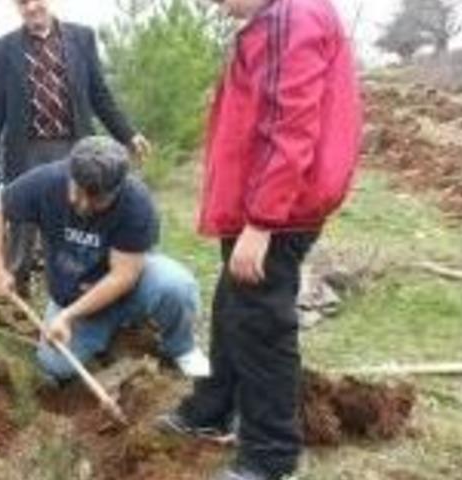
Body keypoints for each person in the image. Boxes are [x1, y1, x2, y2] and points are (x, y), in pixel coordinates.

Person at [155, 1, 362, 479]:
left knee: (262, 325)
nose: (215, 4)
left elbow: (289, 125)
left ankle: (271, 455)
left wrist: (262, 222)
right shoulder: (278, 18)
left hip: (278, 211)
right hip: (264, 204)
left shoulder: (293, 17)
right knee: (234, 307)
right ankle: (213, 409)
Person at [0, 136, 210, 383]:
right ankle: (108, 336)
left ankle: (182, 348)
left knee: (175, 285)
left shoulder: (136, 203)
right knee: (55, 366)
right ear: (70, 175)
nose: (83, 204)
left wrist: (67, 317)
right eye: (78, 192)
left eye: (97, 199)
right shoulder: (48, 181)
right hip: (73, 296)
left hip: (128, 289)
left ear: (117, 189)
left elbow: (124, 276)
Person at [0, 0, 152, 297]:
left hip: (75, 148)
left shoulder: (82, 37)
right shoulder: (3, 48)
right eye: (22, 2)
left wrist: (128, 134)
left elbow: (99, 93)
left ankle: (77, 285)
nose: (32, 7)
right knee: (21, 220)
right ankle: (14, 288)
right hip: (26, 149)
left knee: (78, 216)